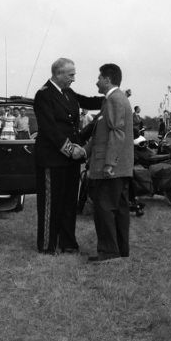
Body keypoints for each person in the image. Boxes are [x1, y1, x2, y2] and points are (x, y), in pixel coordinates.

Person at [33, 57, 103, 255]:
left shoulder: (69, 93)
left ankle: (68, 242)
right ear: (58, 74)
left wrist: (111, 95)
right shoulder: (43, 95)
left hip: (71, 160)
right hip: (52, 158)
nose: (74, 78)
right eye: (71, 75)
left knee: (68, 202)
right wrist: (71, 149)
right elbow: (50, 129)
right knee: (50, 203)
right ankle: (47, 245)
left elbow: (88, 101)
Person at [82, 63, 133, 263]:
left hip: (111, 169)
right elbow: (100, 134)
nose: (97, 82)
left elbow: (117, 132)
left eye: (99, 78)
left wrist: (109, 163)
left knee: (104, 209)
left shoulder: (115, 99)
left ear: (107, 79)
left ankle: (109, 252)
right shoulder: (113, 99)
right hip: (118, 168)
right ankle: (120, 250)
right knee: (118, 209)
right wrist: (84, 151)